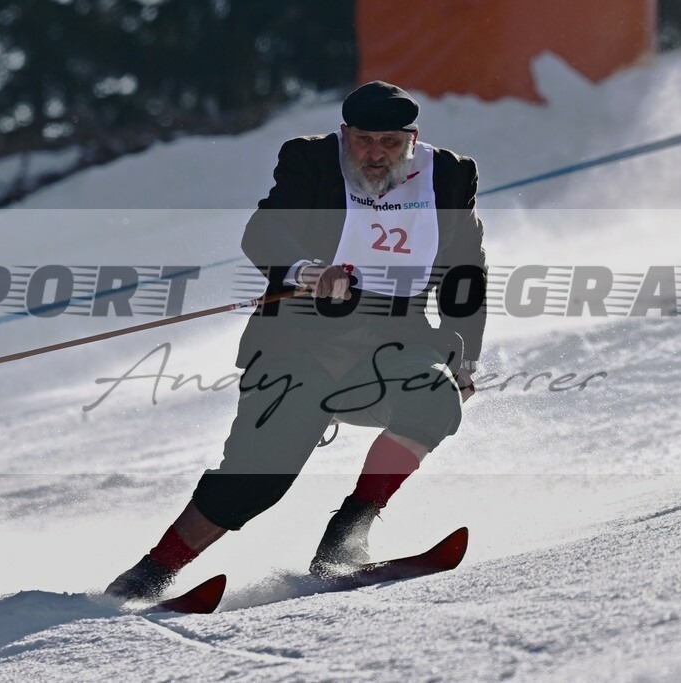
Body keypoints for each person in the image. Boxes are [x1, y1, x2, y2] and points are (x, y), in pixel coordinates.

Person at [106, 81, 487, 600]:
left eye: (390, 143)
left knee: (434, 393)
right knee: (258, 479)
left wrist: (461, 350)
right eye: (363, 141)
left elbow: (465, 275)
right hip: (298, 346)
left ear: (412, 139)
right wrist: (308, 272)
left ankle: (346, 538)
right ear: (345, 134)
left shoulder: (448, 177)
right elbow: (264, 232)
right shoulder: (310, 162)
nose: (376, 154)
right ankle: (149, 575)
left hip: (392, 347)